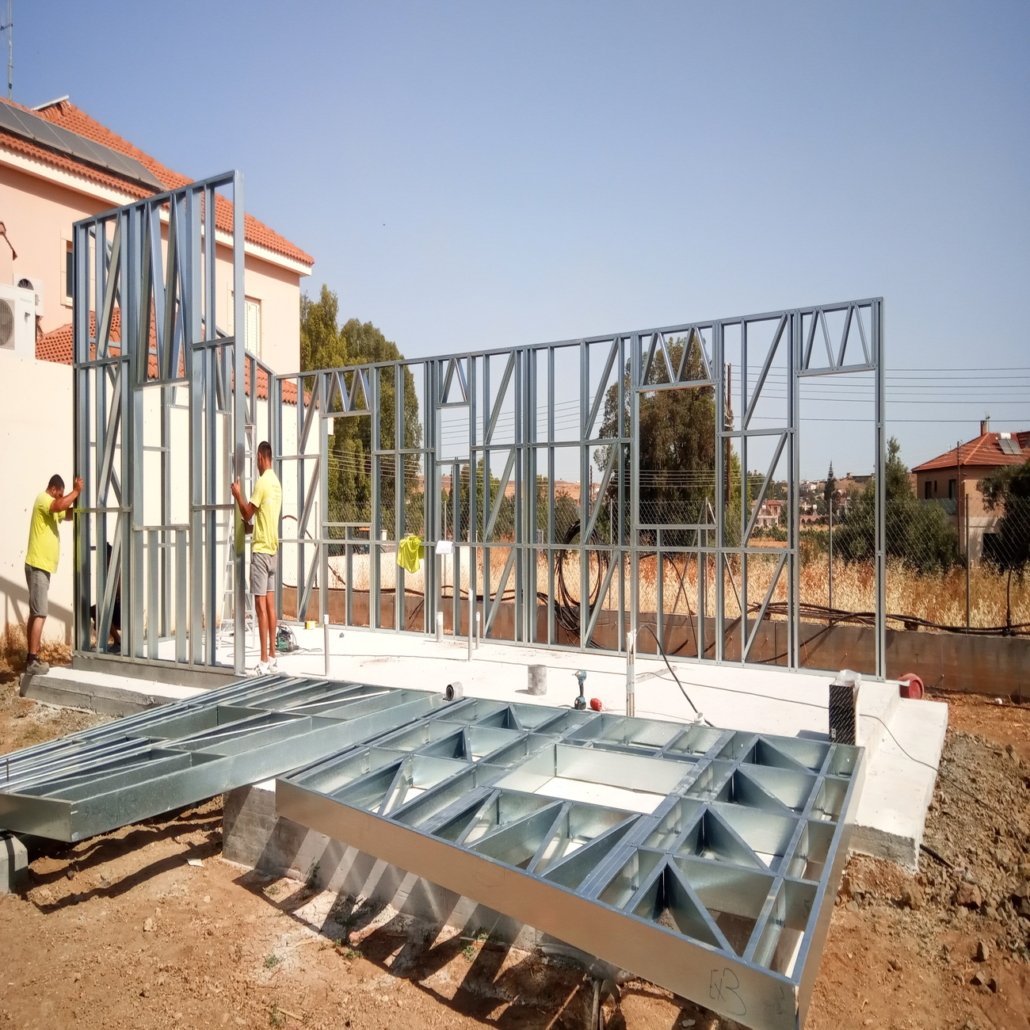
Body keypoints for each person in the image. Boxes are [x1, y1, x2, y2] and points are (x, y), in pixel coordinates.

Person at [230, 441, 282, 674]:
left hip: (261, 551)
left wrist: (237, 495)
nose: (256, 465)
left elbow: (247, 512)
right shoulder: (276, 484)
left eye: (256, 461)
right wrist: (250, 529)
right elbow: (264, 519)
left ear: (261, 457)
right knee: (270, 606)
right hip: (273, 550)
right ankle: (272, 656)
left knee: (260, 607)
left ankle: (262, 661)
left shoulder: (262, 483)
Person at [24, 473, 83, 675]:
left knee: (36, 612)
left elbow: (66, 513)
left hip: (41, 566)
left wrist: (82, 508)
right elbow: (59, 506)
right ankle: (32, 661)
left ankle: (31, 657)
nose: (61, 497)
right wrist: (76, 491)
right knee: (40, 613)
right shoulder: (43, 499)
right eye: (61, 494)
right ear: (54, 489)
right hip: (38, 566)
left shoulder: (52, 504)